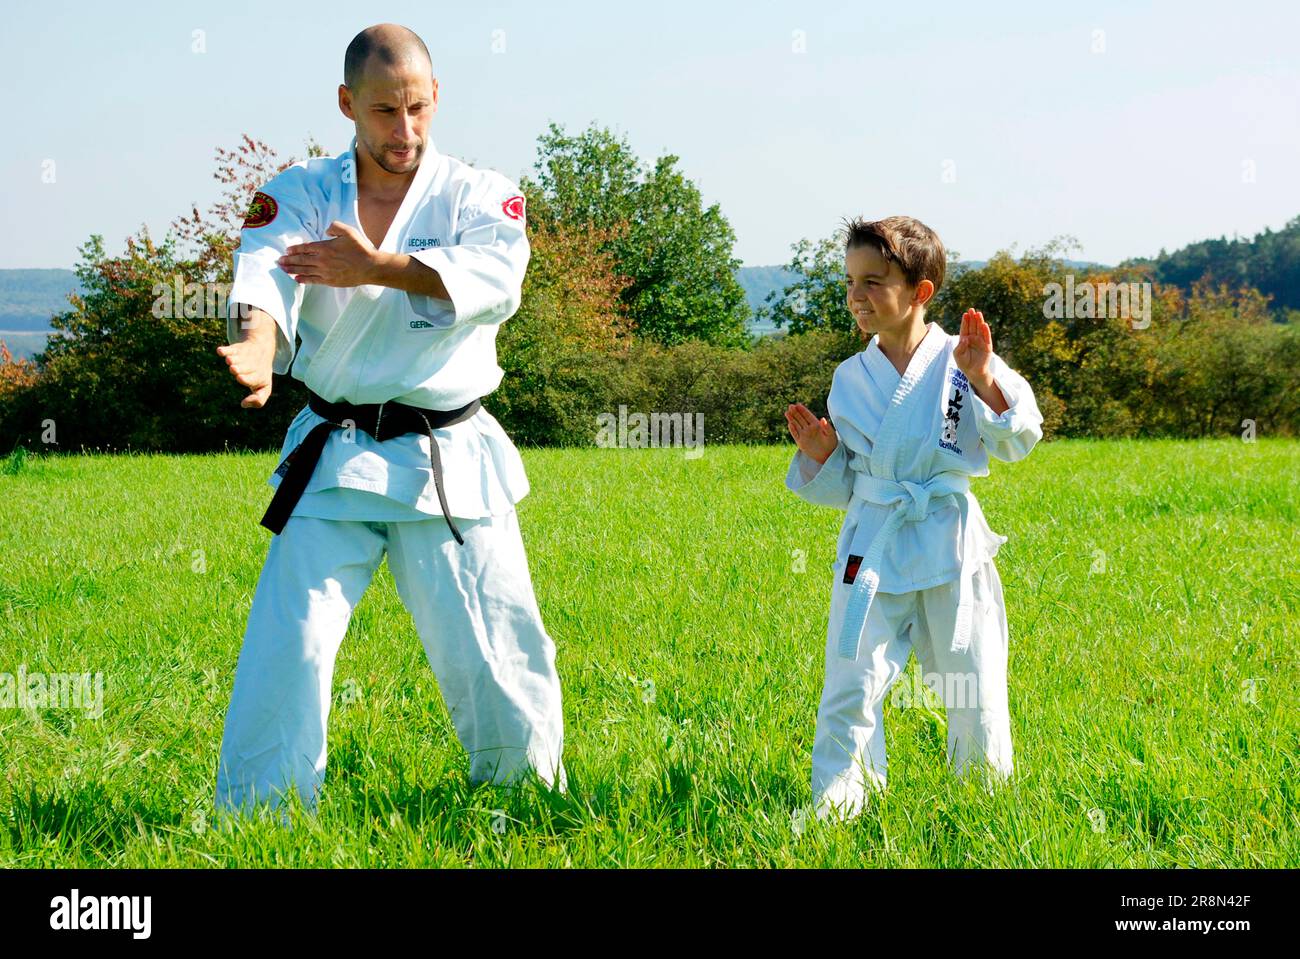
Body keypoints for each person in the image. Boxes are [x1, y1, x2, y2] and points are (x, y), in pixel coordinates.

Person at [212, 23, 565, 822]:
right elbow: (265, 273)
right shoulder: (302, 190)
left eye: (416, 109)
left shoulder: (479, 194)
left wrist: (375, 267)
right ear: (347, 104)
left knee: (493, 642)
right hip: (334, 453)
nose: (403, 131)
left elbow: (496, 282)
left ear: (435, 97)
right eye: (382, 112)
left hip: (447, 452)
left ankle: (527, 801)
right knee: (290, 644)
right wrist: (260, 348)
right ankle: (261, 813)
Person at [784, 215, 1042, 821]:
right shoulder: (850, 379)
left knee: (972, 680)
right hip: (873, 541)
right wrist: (824, 458)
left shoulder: (966, 359)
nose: (857, 296)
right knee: (851, 681)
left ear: (921, 292)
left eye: (874, 282)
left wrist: (983, 382)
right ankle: (841, 799)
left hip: (950, 539)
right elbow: (854, 485)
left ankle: (983, 801)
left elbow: (1020, 438)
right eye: (850, 281)